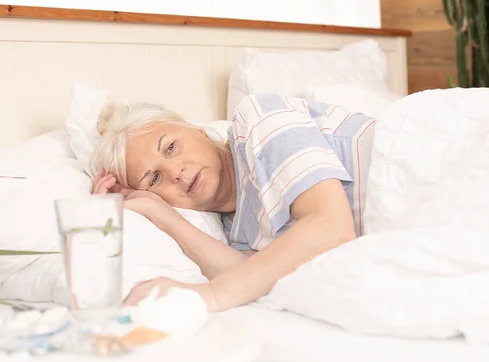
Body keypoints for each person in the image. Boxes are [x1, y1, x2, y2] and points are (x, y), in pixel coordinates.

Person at [90, 93, 376, 312]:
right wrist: (158, 212)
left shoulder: (259, 119)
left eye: (171, 147)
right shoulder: (237, 231)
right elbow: (258, 277)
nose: (175, 172)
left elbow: (332, 226)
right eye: (153, 179)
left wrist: (208, 296)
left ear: (197, 130)